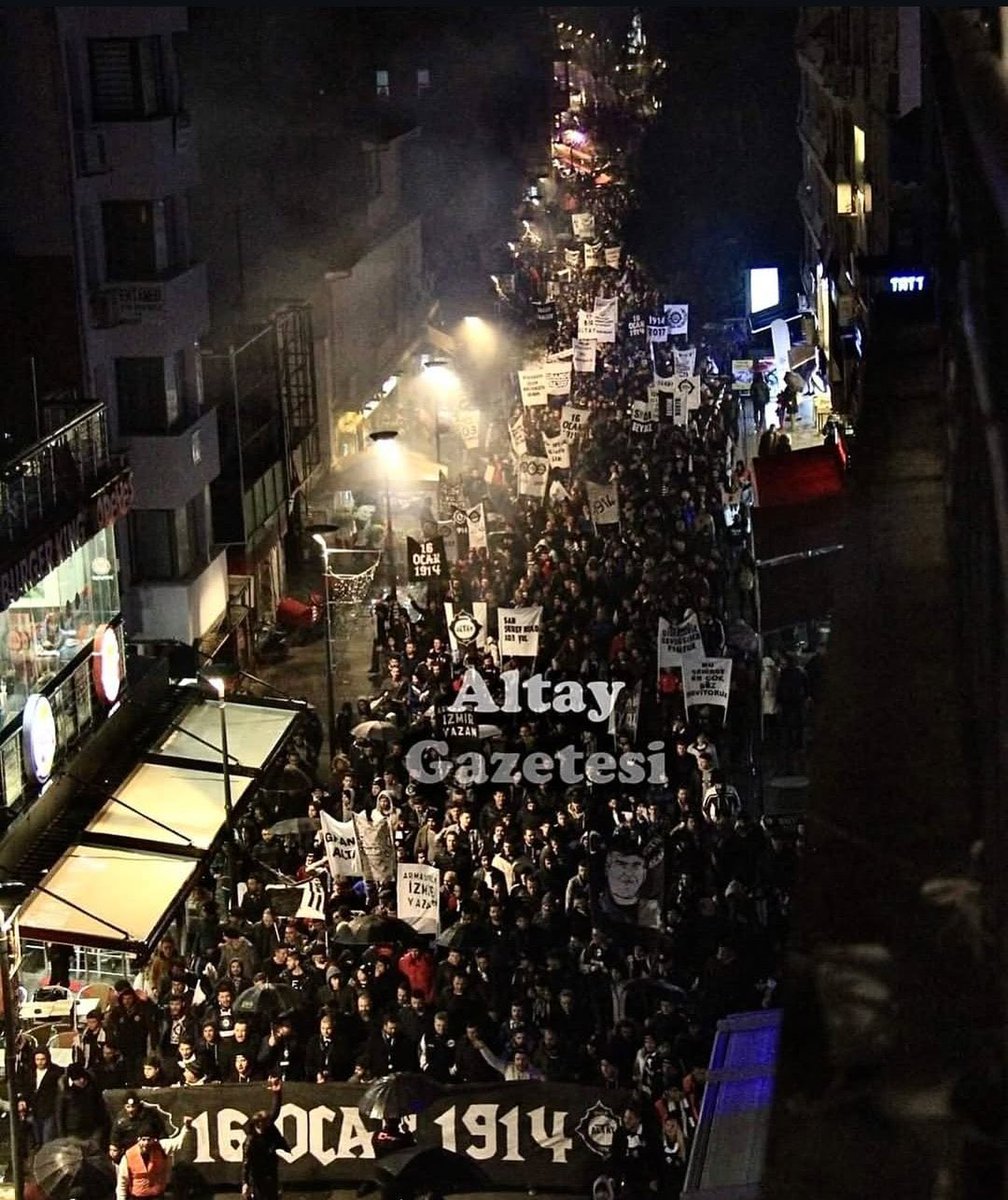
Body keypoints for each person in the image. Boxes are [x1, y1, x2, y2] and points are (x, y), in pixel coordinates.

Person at [116, 1114, 194, 1200]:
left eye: (149, 1140)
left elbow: (179, 1143)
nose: (146, 1143)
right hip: (138, 1197)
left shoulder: (161, 1147)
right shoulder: (128, 1156)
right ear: (138, 1140)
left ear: (154, 1140)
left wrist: (187, 1127)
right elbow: (122, 1183)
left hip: (157, 1196)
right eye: (143, 1140)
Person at [241, 1078, 290, 1200]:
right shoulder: (250, 1141)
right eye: (264, 1124)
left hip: (271, 1170)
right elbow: (246, 1164)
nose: (267, 1126)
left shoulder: (268, 1128)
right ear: (258, 1125)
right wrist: (245, 1183)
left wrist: (277, 1094)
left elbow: (274, 1112)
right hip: (258, 1175)